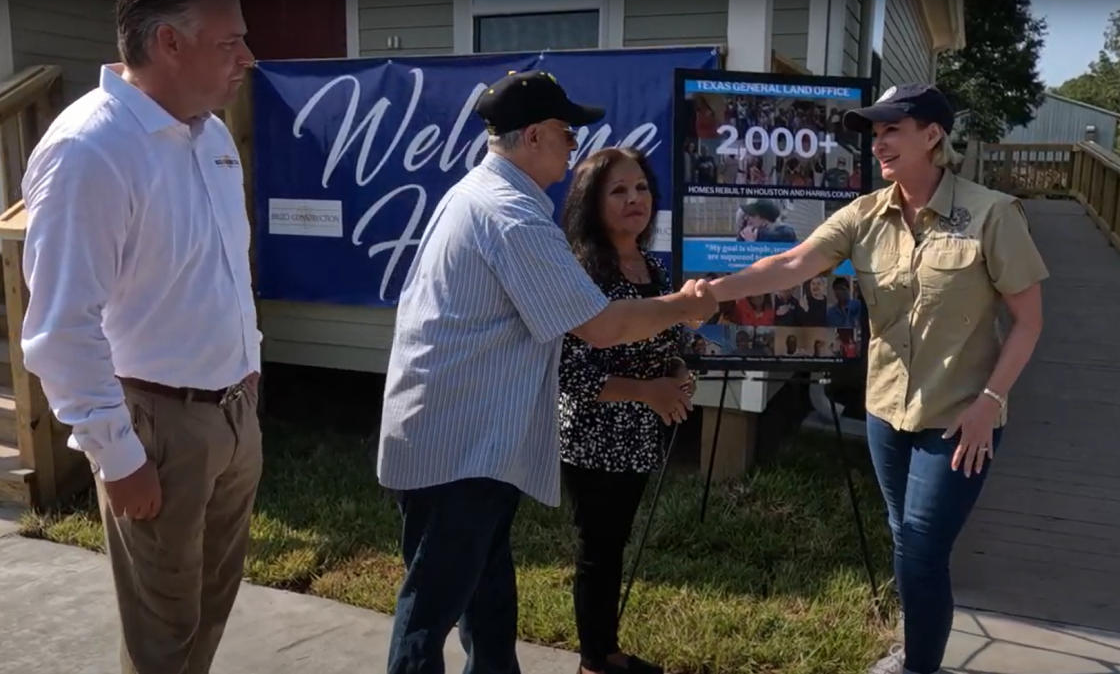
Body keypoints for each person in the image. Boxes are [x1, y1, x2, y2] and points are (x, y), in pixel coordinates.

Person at [698, 83, 1048, 674]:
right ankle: (917, 650)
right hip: (888, 410)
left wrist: (990, 402)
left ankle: (917, 666)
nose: (879, 143)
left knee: (922, 548)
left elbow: (1029, 321)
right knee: (905, 540)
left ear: (932, 134)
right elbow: (789, 263)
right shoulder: (863, 214)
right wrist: (706, 292)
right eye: (875, 132)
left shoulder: (991, 214)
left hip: (961, 418)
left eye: (892, 129)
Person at [376, 71, 717, 674]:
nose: (574, 143)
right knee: (429, 613)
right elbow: (599, 327)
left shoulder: (480, 195)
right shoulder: (513, 217)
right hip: (462, 449)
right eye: (566, 131)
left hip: (468, 442)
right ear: (533, 136)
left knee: (488, 603)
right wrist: (686, 308)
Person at [19, 0, 260, 672]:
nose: (248, 57)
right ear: (169, 43)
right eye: (232, 41)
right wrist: (116, 453)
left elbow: (220, 278)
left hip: (233, 411)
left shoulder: (209, 135)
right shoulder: (89, 150)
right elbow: (61, 326)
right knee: (163, 634)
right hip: (157, 423)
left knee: (208, 610)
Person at [557, 147, 694, 674]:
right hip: (595, 434)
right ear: (592, 205)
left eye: (640, 187)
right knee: (599, 548)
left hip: (640, 436)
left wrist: (679, 374)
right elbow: (571, 375)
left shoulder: (656, 269)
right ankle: (596, 660)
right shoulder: (581, 274)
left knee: (615, 543)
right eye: (618, 191)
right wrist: (649, 392)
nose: (635, 198)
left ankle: (606, 649)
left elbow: (670, 344)